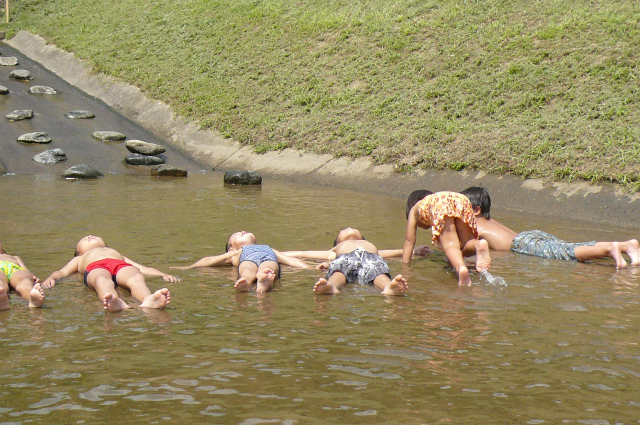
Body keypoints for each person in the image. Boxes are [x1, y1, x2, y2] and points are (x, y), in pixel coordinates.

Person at [460, 186, 640, 269]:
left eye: (461, 209)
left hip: (522, 244)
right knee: (569, 246)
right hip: (531, 236)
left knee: (567, 254)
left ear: (476, 210)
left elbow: (465, 247)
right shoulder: (491, 221)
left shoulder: (474, 224)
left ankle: (610, 249)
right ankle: (626, 246)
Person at [42, 235, 178, 311]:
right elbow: (62, 272)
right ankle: (114, 300)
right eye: (84, 239)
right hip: (95, 267)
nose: (89, 236)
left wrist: (162, 274)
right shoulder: (79, 259)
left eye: (93, 236)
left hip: (120, 264)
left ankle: (148, 298)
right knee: (101, 281)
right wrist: (52, 278)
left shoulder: (117, 253)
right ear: (79, 252)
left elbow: (143, 268)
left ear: (105, 245)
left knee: (136, 277)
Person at [283, 227, 429, 295]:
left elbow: (391, 253)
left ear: (362, 238)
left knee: (379, 273)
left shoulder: (368, 247)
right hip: (345, 258)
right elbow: (303, 253)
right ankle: (332, 286)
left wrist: (415, 251)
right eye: (344, 230)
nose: (349, 228)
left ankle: (388, 287)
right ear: (336, 243)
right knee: (339, 271)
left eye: (352, 228)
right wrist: (275, 253)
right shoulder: (334, 251)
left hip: (372, 259)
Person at [173, 231, 309, 293]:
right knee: (247, 269)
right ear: (231, 247)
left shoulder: (269, 248)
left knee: (267, 268)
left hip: (268, 258)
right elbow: (211, 260)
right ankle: (248, 281)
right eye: (236, 235)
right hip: (248, 258)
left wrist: (311, 267)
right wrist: (189, 267)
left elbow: (290, 260)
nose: (243, 231)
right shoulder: (236, 252)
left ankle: (261, 280)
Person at [404, 191, 491, 286]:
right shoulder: (432, 200)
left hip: (440, 203)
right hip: (461, 199)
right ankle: (479, 245)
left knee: (450, 245)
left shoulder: (413, 211)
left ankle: (461, 268)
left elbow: (409, 241)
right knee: (466, 243)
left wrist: (406, 265)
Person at [0, 242, 45, 310]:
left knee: (25, 280)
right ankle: (1, 299)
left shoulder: (14, 257)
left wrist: (32, 277)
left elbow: (25, 269)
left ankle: (32, 298)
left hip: (15, 268)